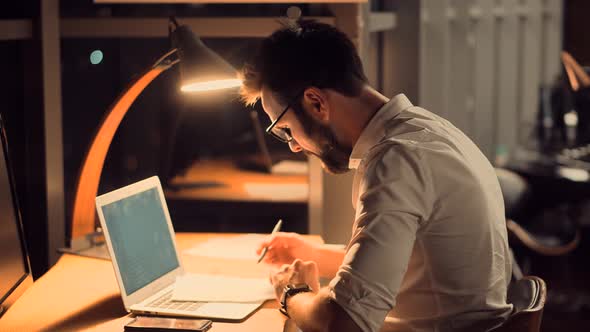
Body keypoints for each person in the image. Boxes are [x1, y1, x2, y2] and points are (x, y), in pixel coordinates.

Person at [240, 20, 513, 332]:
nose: (294, 147)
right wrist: (314, 254)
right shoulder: (425, 130)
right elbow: (404, 260)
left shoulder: (396, 161)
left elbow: (343, 323)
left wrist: (291, 293)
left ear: (316, 103)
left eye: (286, 130)